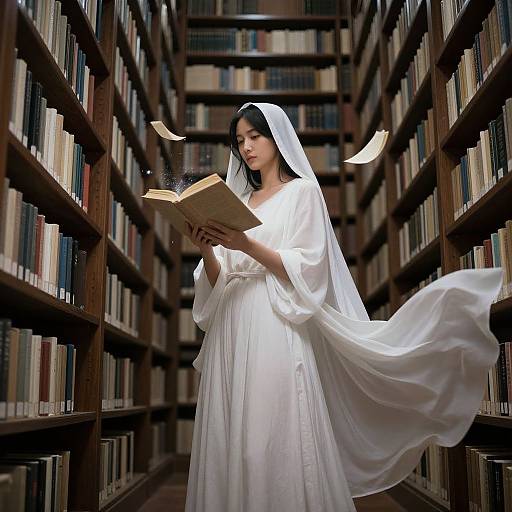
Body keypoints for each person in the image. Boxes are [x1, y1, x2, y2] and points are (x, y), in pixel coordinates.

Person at [182, 103, 503, 512]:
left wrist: (246, 245)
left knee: (268, 430)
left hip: (274, 321)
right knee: (230, 434)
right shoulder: (239, 198)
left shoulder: (302, 192)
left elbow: (310, 266)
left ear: (277, 137)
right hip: (232, 322)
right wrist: (207, 249)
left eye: (255, 136)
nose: (246, 147)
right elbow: (219, 278)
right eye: (240, 140)